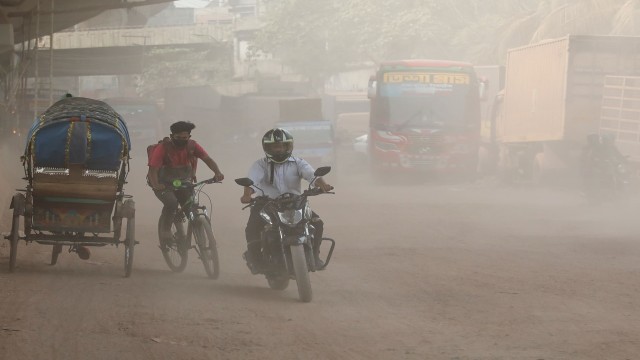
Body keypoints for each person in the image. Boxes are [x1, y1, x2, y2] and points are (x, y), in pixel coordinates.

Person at [240, 128, 333, 273]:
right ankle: (256, 260)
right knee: (252, 227)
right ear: (267, 148)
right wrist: (247, 195)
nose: (279, 149)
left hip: (295, 202)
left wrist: (324, 185)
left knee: (317, 223)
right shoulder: (260, 165)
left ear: (288, 146)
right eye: (275, 146)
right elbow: (252, 182)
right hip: (266, 203)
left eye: (282, 146)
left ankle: (314, 256)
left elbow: (313, 176)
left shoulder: (298, 162)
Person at [148, 121, 224, 239]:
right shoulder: (163, 148)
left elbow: (208, 159)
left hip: (184, 182)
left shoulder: (193, 146)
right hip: (163, 183)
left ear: (189, 137)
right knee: (171, 203)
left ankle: (195, 230)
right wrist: (156, 185)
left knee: (191, 206)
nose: (181, 140)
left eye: (184, 137)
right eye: (178, 137)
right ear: (172, 136)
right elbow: (153, 170)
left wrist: (217, 172)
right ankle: (166, 230)